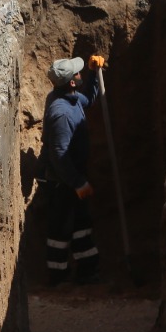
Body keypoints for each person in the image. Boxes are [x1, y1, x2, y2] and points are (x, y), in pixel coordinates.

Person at [42, 54, 107, 285]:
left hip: (74, 175)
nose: (79, 74)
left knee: (81, 224)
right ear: (71, 82)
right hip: (63, 182)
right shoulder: (61, 113)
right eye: (78, 73)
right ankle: (58, 277)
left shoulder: (70, 97)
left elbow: (88, 99)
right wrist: (77, 182)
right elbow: (59, 154)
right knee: (60, 229)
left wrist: (92, 73)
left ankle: (88, 273)